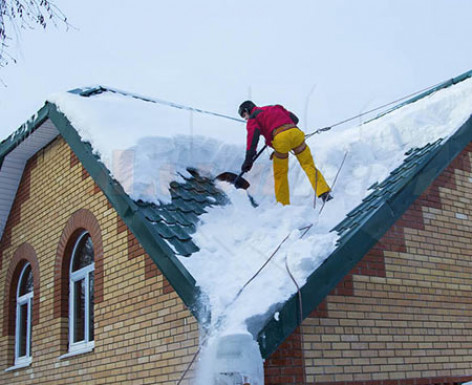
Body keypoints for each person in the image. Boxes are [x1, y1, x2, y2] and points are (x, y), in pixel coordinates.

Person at [238, 100, 333, 206]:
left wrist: (248, 160)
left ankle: (282, 204)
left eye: (244, 115)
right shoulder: (275, 107)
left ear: (247, 110)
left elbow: (253, 138)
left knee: (280, 174)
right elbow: (295, 119)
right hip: (296, 134)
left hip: (281, 139)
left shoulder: (253, 118)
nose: (245, 118)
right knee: (308, 165)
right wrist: (274, 126)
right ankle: (324, 193)